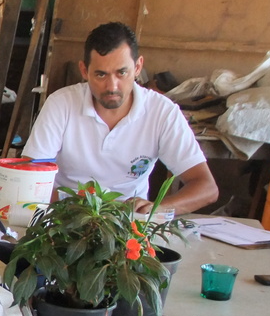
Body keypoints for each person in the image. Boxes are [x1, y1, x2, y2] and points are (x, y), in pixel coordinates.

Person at [22, 21, 219, 215]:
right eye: (101, 75)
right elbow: (29, 178)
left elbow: (207, 188)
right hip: (64, 216)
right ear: (84, 71)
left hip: (129, 223)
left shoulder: (162, 112)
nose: (112, 87)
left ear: (138, 67)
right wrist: (77, 209)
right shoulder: (60, 104)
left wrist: (157, 209)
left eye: (122, 73)